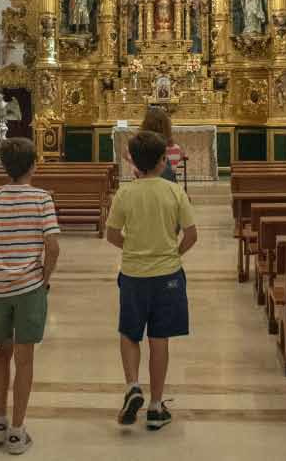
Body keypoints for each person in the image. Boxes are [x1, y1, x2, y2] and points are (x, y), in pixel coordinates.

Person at [0, 138, 61, 455]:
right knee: (25, 358)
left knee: (1, 352)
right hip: (29, 287)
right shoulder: (42, 199)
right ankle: (17, 431)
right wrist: (43, 277)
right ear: (34, 165)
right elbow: (53, 246)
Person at [106, 130, 198, 431]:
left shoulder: (125, 193)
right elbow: (192, 234)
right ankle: (157, 407)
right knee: (160, 339)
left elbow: (111, 233)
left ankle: (133, 386)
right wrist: (173, 252)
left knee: (130, 333)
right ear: (162, 161)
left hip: (133, 274)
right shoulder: (174, 191)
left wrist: (133, 249)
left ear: (133, 162)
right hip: (168, 274)